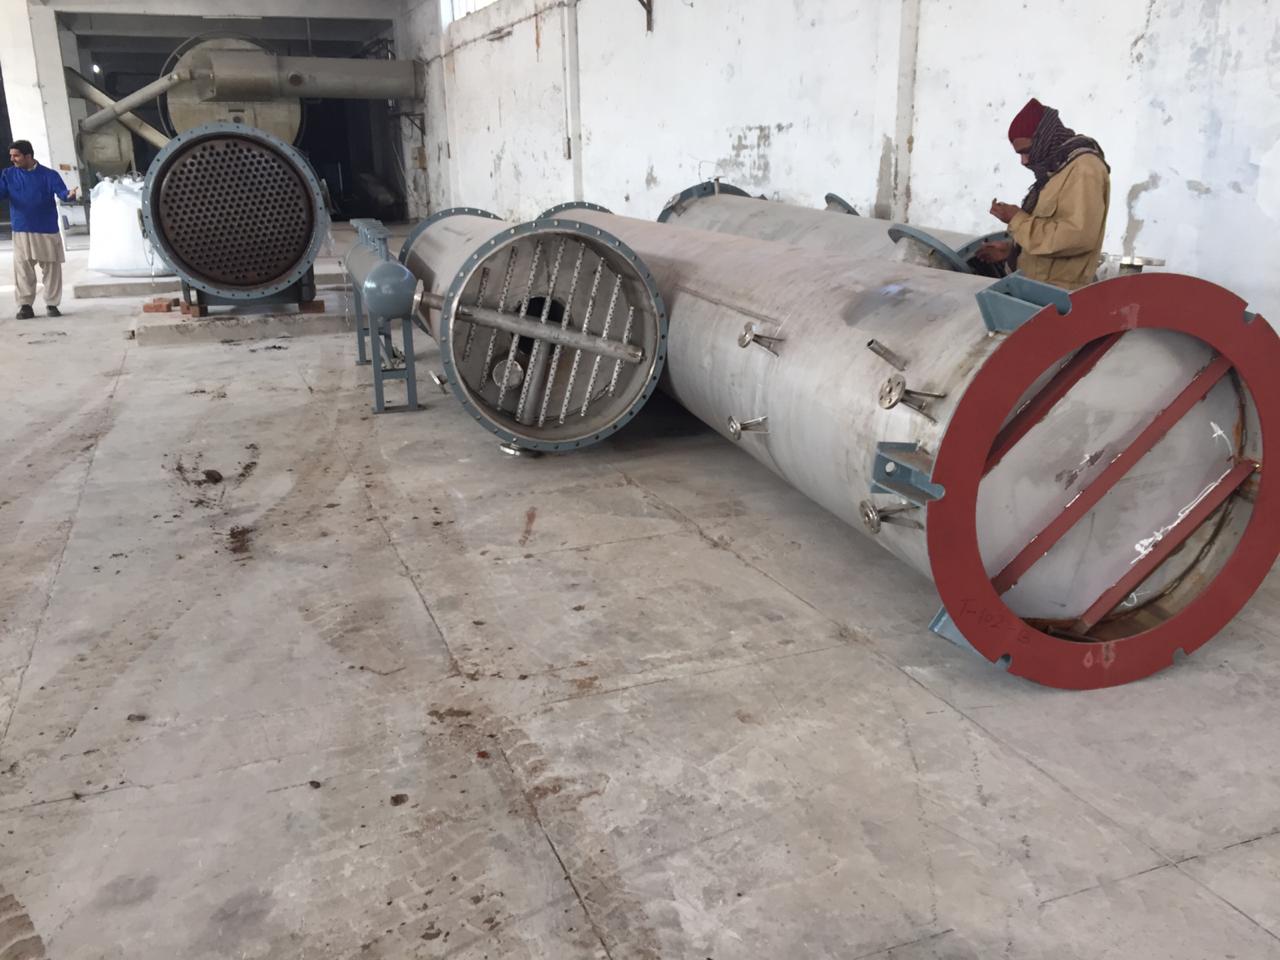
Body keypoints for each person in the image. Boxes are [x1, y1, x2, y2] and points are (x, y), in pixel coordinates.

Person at [977, 99, 1110, 291]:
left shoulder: (1084, 169)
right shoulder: (1057, 168)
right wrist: (1013, 250)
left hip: (1058, 295)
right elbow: (1051, 233)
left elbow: (1077, 237)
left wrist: (1017, 219)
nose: (1024, 161)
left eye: (1026, 151)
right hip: (1037, 290)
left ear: (1044, 138)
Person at [0, 140, 77, 318]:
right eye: (11, 156)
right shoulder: (8, 174)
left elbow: (63, 193)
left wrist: (70, 195)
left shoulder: (49, 175)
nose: (12, 159)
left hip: (46, 228)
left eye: (16, 155)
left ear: (28, 156)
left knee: (51, 268)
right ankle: (25, 305)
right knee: (23, 269)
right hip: (21, 228)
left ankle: (52, 304)